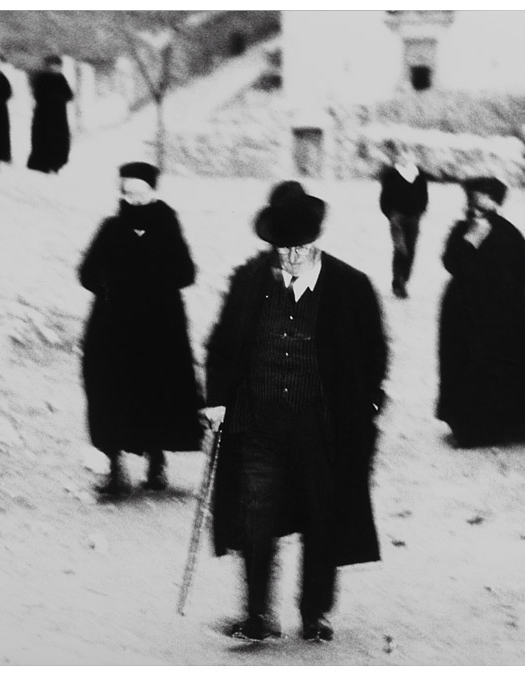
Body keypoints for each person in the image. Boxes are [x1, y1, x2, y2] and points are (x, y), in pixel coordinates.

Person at [201, 181, 388, 642]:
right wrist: (217, 400)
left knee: (323, 519)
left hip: (323, 429)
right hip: (257, 423)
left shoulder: (350, 286)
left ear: (316, 242)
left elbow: (374, 352)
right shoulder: (248, 281)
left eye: (300, 247)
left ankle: (314, 612)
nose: (290, 256)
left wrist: (365, 406)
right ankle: (258, 615)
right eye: (281, 248)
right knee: (255, 515)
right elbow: (222, 344)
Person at [78, 162, 205, 496]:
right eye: (128, 191)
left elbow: (187, 272)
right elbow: (87, 272)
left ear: (153, 191)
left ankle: (156, 462)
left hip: (159, 328)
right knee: (110, 393)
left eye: (140, 191)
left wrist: (152, 284)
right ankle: (115, 469)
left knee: (156, 392)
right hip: (113, 329)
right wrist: (109, 287)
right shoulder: (110, 227)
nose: (134, 198)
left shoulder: (168, 226)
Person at [436, 176, 525, 447]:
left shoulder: (510, 234)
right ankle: (472, 425)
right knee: (467, 364)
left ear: (494, 200)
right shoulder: (463, 229)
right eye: (470, 194)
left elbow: (524, 276)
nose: (471, 199)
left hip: (501, 311)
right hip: (464, 311)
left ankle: (505, 424)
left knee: (500, 363)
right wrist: (471, 239)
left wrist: (501, 296)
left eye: (478, 195)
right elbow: (451, 263)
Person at [378, 140, 429, 298]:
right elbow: (384, 198)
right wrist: (391, 215)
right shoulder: (390, 175)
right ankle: (397, 281)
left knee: (411, 250)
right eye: (399, 155)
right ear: (395, 157)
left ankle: (404, 280)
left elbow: (424, 196)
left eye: (406, 154)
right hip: (397, 218)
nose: (403, 157)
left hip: (413, 217)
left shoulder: (419, 175)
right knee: (401, 249)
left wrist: (420, 212)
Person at [26, 55, 74, 174]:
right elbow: (38, 95)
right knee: (43, 138)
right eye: (51, 65)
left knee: (59, 140)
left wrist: (60, 98)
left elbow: (69, 95)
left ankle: (56, 163)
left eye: (56, 65)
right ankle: (43, 164)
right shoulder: (42, 78)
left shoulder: (61, 78)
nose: (53, 67)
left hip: (59, 116)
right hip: (44, 115)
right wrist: (53, 98)